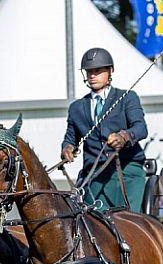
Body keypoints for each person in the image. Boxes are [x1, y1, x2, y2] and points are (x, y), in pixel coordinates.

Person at [61, 47, 148, 212]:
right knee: (90, 220)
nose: (93, 75)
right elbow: (70, 138)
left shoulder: (127, 98)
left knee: (128, 220)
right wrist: (67, 148)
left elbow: (141, 128)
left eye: (98, 71)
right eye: (89, 72)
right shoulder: (76, 108)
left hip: (127, 171)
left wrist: (124, 136)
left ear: (110, 71)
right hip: (95, 175)